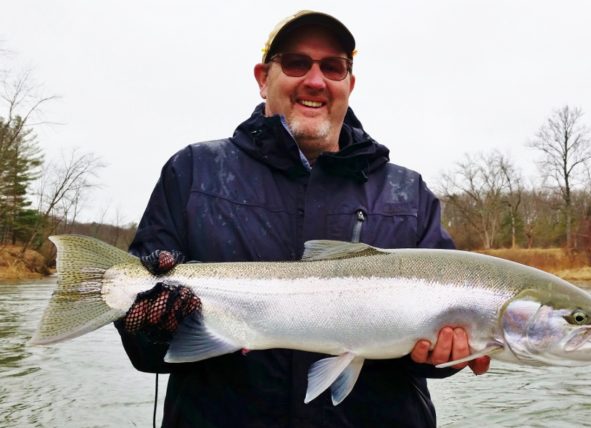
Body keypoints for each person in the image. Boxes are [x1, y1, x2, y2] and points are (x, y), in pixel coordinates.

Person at [115, 10, 490, 427]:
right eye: (297, 63)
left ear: (350, 83)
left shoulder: (410, 194)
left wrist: (443, 359)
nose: (315, 80)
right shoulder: (191, 173)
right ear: (263, 78)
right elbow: (143, 348)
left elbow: (431, 354)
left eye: (333, 67)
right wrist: (151, 326)